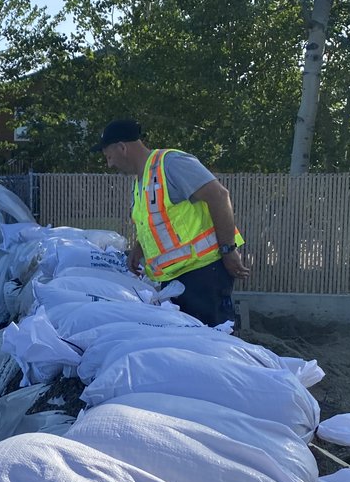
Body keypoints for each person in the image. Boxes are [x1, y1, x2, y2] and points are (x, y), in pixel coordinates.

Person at [92, 118, 250, 327]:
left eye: (109, 156)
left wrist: (228, 249)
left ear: (122, 147)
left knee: (211, 340)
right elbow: (157, 221)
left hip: (203, 274)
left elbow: (219, 196)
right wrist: (139, 249)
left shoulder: (171, 164)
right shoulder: (142, 181)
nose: (110, 164)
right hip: (177, 279)